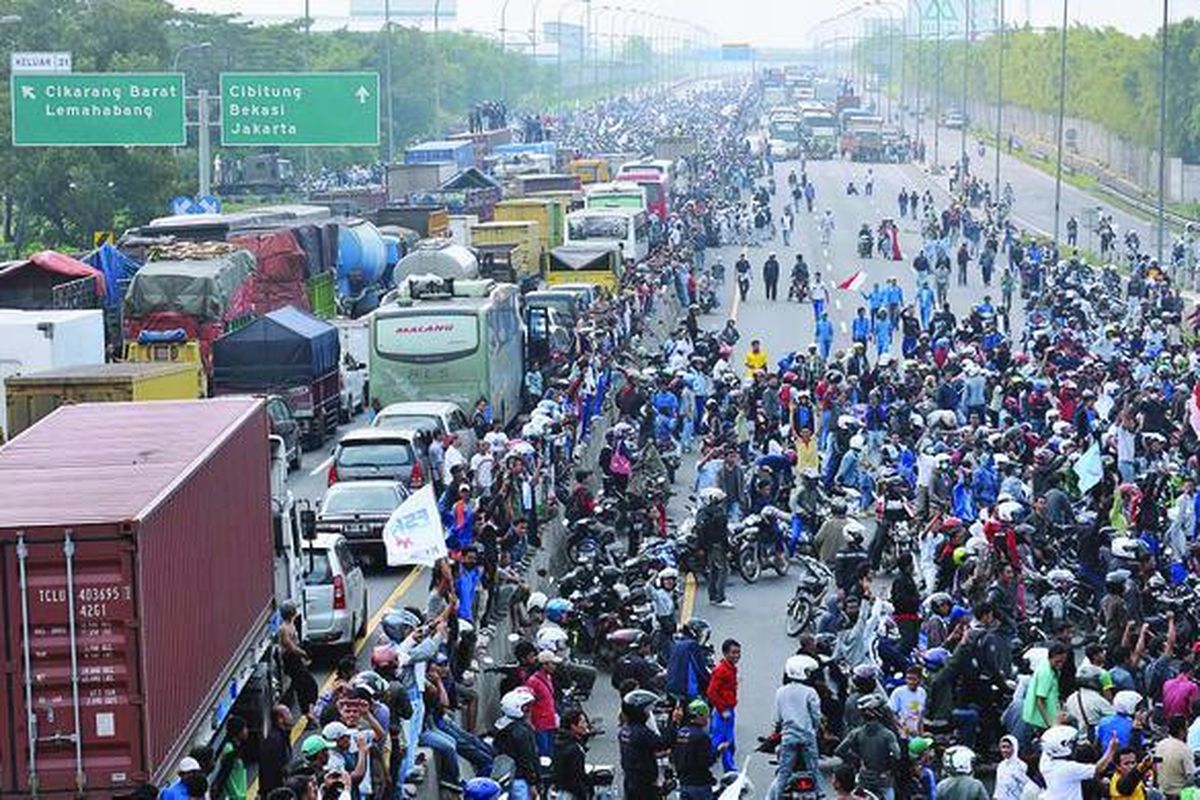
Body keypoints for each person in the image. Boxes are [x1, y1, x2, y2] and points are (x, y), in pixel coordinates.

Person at [767, 655, 825, 800]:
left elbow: (777, 719)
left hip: (788, 739)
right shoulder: (810, 692)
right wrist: (815, 729)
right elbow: (816, 716)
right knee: (815, 772)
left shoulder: (781, 692)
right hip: (807, 739)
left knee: (783, 774)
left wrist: (776, 731)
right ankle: (822, 796)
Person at [836, 694, 901, 800]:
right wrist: (888, 770)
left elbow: (839, 751)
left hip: (864, 779)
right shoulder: (888, 734)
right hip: (883, 781)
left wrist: (858, 760)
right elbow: (897, 755)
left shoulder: (856, 733)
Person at [1039, 725, 1118, 800]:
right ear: (1062, 747)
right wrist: (1111, 749)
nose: (1076, 746)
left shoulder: (1045, 762)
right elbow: (1098, 768)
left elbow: (1050, 744)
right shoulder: (1068, 768)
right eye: (1072, 743)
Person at [619, 689, 671, 799]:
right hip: (643, 785)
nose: (648, 713)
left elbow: (640, 752)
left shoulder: (625, 730)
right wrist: (674, 722)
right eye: (647, 710)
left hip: (630, 779)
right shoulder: (641, 732)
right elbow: (663, 743)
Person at [494, 688, 540, 800]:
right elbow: (527, 759)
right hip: (521, 781)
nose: (529, 711)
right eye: (526, 708)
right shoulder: (522, 732)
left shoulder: (501, 726)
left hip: (507, 777)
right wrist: (533, 783)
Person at [672, 699, 719, 800]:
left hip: (683, 782)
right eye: (706, 716)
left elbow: (674, 756)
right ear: (700, 716)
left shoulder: (681, 732)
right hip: (699, 784)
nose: (708, 720)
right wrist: (718, 751)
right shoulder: (702, 736)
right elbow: (707, 761)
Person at [706, 639, 740, 774]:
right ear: (725, 653)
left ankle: (729, 769)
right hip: (723, 712)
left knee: (727, 742)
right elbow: (711, 692)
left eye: (738, 652)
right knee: (721, 742)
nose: (737, 656)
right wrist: (722, 710)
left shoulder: (730, 668)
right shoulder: (721, 671)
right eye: (733, 652)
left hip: (728, 710)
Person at [552, 708, 598, 800]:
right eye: (583, 722)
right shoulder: (574, 749)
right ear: (573, 726)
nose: (586, 725)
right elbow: (576, 779)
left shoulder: (561, 742)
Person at [526, 650, 561, 758]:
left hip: (550, 721)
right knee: (543, 753)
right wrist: (529, 721)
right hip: (540, 724)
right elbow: (528, 703)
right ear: (544, 665)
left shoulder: (549, 678)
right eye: (552, 664)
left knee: (551, 752)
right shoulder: (533, 681)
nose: (555, 666)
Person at [1153, 715, 1192, 800]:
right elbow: (1190, 776)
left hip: (1162, 791)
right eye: (1186, 728)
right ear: (1181, 731)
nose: (1188, 731)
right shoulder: (1184, 749)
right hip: (1180, 794)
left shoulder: (1160, 745)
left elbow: (1155, 767)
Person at [259, 705, 293, 796]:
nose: (291, 716)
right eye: (288, 714)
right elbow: (272, 770)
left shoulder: (281, 735)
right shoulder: (275, 741)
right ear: (280, 719)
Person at [213, 715, 249, 800]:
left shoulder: (237, 747)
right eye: (245, 728)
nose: (247, 731)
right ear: (238, 731)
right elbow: (225, 775)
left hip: (240, 796)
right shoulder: (229, 749)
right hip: (235, 797)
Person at [993, 735, 1031, 800]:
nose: (1005, 750)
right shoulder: (1001, 765)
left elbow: (1026, 788)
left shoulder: (1021, 766)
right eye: (1003, 747)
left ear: (1014, 748)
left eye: (1008, 747)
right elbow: (998, 787)